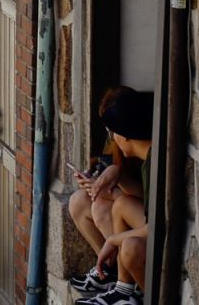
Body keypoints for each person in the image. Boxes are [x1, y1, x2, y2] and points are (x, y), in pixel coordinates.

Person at [76, 87, 155, 305]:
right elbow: (146, 200)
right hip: (149, 224)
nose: (111, 139)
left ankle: (128, 291)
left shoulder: (154, 162)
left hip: (161, 238)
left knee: (129, 245)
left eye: (111, 134)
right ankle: (123, 289)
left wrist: (113, 240)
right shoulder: (150, 157)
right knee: (121, 204)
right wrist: (116, 174)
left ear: (123, 134)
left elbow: (157, 227)